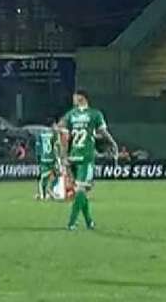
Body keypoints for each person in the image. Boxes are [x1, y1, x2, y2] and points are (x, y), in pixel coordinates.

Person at [57, 90, 118, 231]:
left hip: (73, 156)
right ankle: (71, 223)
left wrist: (64, 156)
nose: (73, 99)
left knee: (80, 190)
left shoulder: (71, 115)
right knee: (81, 191)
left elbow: (63, 134)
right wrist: (113, 144)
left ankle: (89, 221)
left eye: (75, 97)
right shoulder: (95, 114)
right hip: (86, 158)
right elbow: (103, 132)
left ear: (81, 98)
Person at [35, 122, 62, 201]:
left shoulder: (41, 133)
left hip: (44, 158)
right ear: (53, 125)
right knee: (57, 174)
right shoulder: (54, 134)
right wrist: (58, 158)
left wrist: (38, 158)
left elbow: (38, 147)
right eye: (55, 125)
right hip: (52, 158)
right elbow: (56, 147)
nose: (56, 127)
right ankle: (48, 190)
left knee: (44, 177)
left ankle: (43, 194)